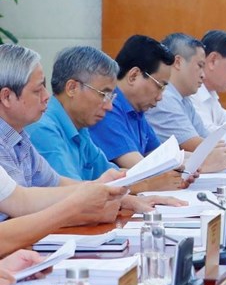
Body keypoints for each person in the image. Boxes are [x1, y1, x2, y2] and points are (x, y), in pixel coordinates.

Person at [28, 45, 188, 202]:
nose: (109, 106)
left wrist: (153, 184)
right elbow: (72, 196)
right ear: (72, 88)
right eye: (103, 94)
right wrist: (147, 185)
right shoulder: (43, 129)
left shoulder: (80, 128)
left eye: (111, 96)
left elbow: (112, 175)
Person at [0, 44, 128, 224]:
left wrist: (104, 190)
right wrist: (95, 197)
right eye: (37, 90)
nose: (46, 96)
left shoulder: (19, 138)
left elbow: (55, 183)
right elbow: (20, 204)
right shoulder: (40, 128)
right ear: (6, 97)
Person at [145, 33, 226, 169]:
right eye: (200, 65)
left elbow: (208, 139)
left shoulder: (184, 99)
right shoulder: (164, 98)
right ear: (178, 62)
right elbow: (199, 147)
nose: (203, 75)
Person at [90, 34, 175, 167]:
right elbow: (141, 168)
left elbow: (159, 155)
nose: (160, 97)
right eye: (159, 86)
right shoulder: (107, 108)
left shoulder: (137, 110)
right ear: (133, 76)